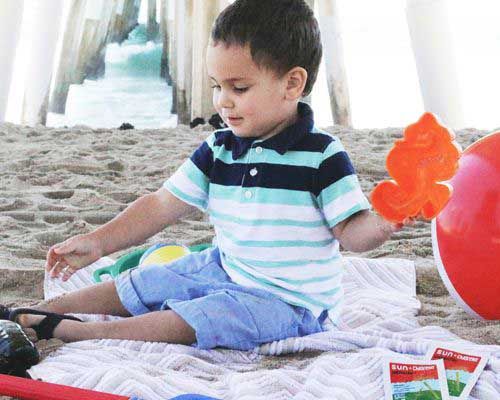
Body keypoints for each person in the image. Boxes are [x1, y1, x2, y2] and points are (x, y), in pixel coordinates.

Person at [1, 0, 405, 350]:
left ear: (292, 83)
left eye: (239, 88)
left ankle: (78, 333)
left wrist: (384, 222)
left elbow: (351, 233)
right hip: (225, 267)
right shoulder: (219, 148)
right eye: (217, 86)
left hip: (288, 303)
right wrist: (99, 242)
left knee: (200, 317)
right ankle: (44, 309)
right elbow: (160, 206)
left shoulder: (321, 155)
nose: (223, 101)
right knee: (154, 279)